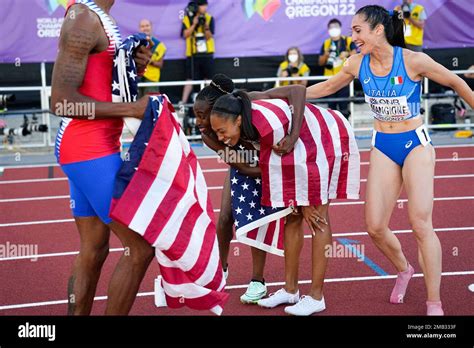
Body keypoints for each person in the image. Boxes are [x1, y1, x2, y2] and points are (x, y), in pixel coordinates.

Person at [305, 5, 474, 315]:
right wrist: (286, 94)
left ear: (378, 30)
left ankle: (433, 302)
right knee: (374, 226)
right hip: (383, 144)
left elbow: (455, 82)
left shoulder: (413, 61)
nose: (352, 36)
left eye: (357, 30)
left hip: (414, 145)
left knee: (420, 223)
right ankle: (404, 268)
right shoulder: (357, 64)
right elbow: (327, 87)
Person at [208, 89, 360, 316]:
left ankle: (317, 296)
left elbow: (297, 91)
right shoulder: (244, 111)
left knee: (317, 217)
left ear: (238, 120)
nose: (220, 138)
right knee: (292, 216)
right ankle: (291, 290)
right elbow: (281, 162)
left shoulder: (265, 125)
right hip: (299, 149)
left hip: (325, 140)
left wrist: (294, 134)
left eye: (222, 131)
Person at [51, 0, 154, 315]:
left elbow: (99, 83)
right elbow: (61, 102)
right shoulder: (82, 18)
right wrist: (132, 109)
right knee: (139, 247)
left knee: (93, 249)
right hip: (86, 147)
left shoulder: (101, 18)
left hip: (94, 146)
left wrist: (131, 65)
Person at [194, 74, 307, 304]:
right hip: (248, 166)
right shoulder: (209, 135)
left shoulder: (250, 103)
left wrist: (293, 136)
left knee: (263, 218)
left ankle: (258, 280)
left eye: (202, 115)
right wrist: (274, 172)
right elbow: (242, 166)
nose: (198, 121)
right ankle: (220, 270)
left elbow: (297, 91)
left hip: (274, 155)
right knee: (226, 216)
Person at [319, 18, 357, 119]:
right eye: (331, 27)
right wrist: (327, 55)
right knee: (331, 109)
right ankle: (333, 132)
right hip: (330, 80)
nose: (334, 29)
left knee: (344, 107)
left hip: (344, 78)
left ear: (340, 28)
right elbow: (320, 62)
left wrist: (347, 53)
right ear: (328, 30)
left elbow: (356, 55)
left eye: (336, 26)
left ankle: (345, 130)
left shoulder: (348, 40)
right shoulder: (326, 43)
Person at [181, 0, 215, 104]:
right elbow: (185, 35)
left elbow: (209, 36)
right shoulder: (187, 18)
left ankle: (208, 102)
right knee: (190, 78)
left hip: (207, 54)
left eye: (204, 5)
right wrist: (194, 24)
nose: (203, 8)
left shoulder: (209, 18)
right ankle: (183, 103)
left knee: (208, 79)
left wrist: (205, 25)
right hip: (192, 54)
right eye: (201, 5)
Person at [138, 19, 167, 96]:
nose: (145, 28)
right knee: (136, 104)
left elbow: (160, 65)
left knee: (150, 104)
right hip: (137, 77)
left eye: (147, 25)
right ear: (139, 29)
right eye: (142, 26)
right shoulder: (135, 44)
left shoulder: (159, 45)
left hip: (151, 79)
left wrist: (149, 61)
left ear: (151, 27)